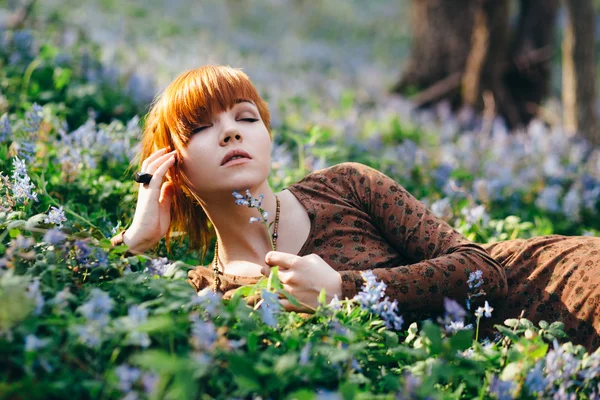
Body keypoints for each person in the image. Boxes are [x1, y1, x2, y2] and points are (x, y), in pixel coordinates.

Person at [111, 65, 600, 352]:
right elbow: (98, 305)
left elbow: (483, 271)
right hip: (519, 359)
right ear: (173, 167)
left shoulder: (345, 185)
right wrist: (137, 240)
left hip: (550, 282)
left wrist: (343, 289)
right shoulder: (205, 287)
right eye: (201, 127)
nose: (232, 131)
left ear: (268, 138)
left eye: (246, 118)